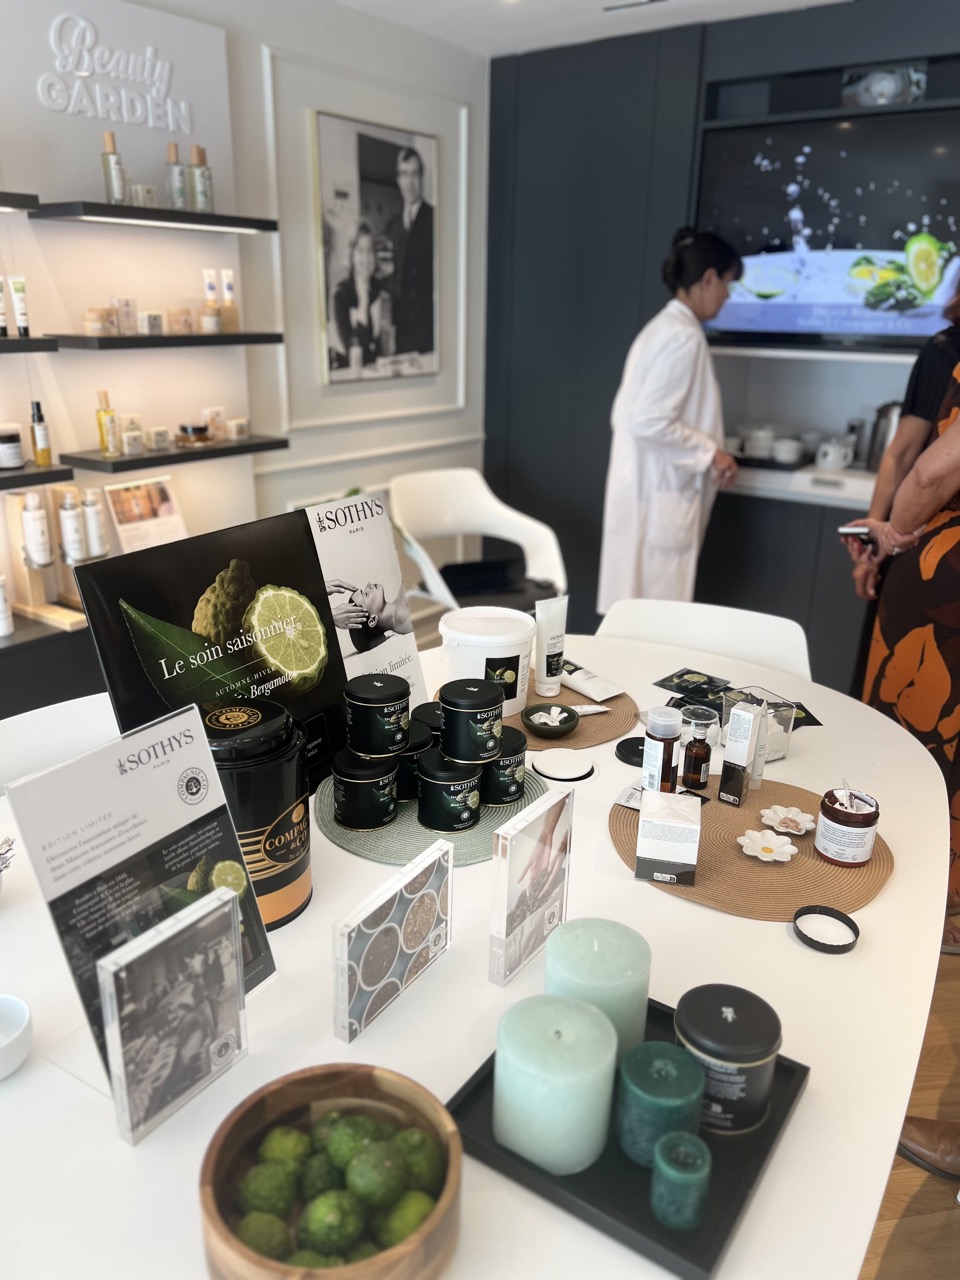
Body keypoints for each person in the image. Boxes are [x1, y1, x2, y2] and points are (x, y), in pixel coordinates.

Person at [845, 274, 960, 952]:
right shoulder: (943, 349)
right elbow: (909, 459)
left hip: (934, 567)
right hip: (927, 555)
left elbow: (920, 467)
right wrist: (877, 534)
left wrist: (881, 539)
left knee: (911, 735)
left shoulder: (945, 344)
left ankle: (899, 882)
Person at [597, 228, 742, 610]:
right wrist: (712, 454)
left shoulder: (660, 329)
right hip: (659, 501)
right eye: (728, 284)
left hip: (646, 493)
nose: (728, 296)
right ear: (708, 279)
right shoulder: (683, 338)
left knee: (634, 616)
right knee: (655, 620)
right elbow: (647, 420)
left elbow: (623, 414)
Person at [386, 146, 434, 356]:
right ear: (398, 179)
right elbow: (390, 277)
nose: (409, 182)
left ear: (421, 178)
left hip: (428, 328)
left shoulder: (435, 218)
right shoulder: (392, 223)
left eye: (414, 174)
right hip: (402, 330)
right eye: (404, 174)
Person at [331, 222, 384, 369]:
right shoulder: (340, 295)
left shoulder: (377, 287)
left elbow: (378, 343)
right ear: (351, 255)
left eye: (369, 251)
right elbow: (353, 352)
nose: (366, 258)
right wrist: (363, 304)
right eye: (360, 251)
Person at [346, 580, 413, 653]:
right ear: (372, 620)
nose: (368, 584)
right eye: (366, 594)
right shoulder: (404, 616)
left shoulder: (400, 603)